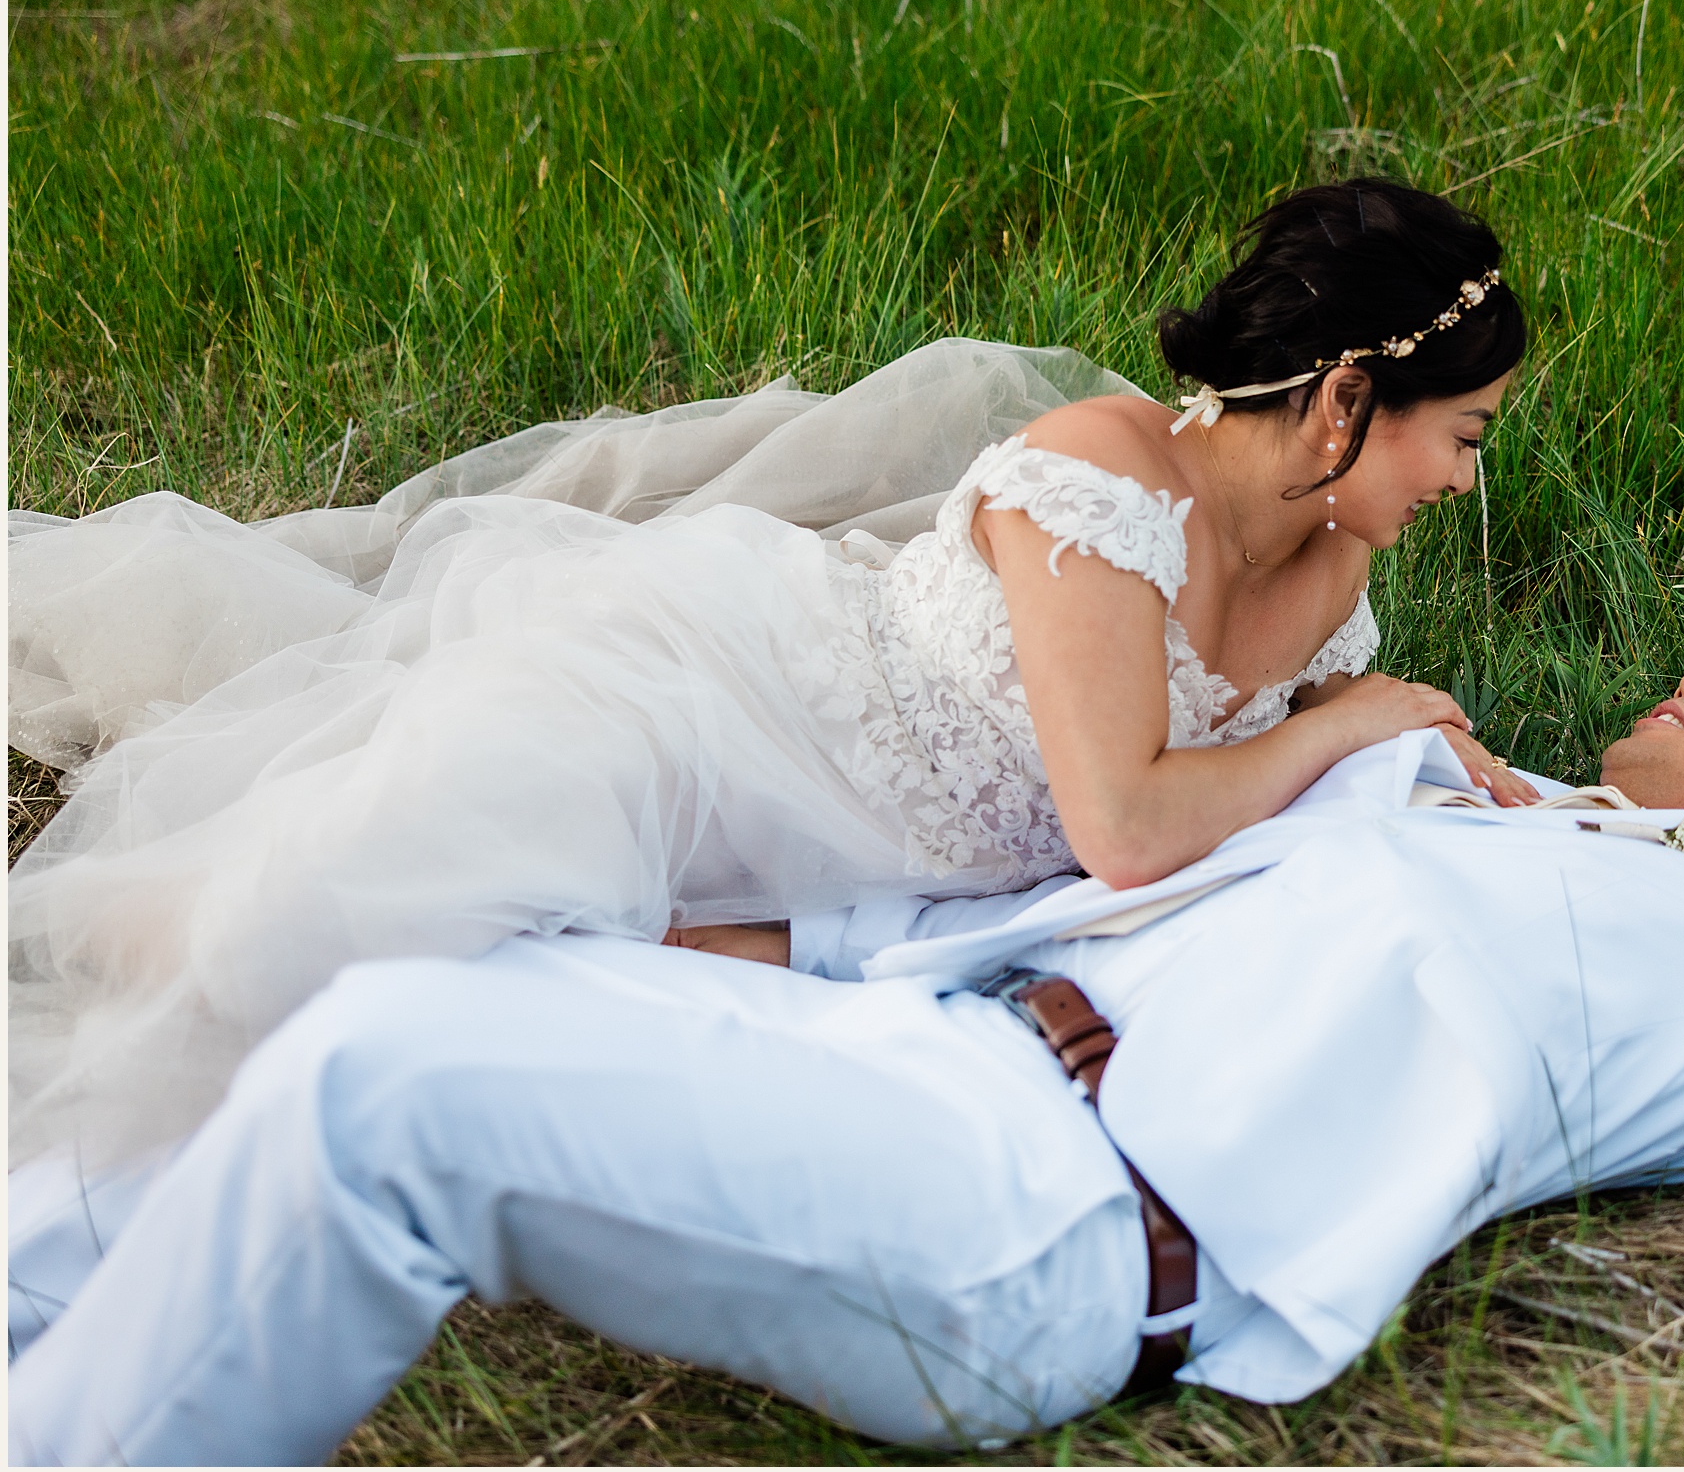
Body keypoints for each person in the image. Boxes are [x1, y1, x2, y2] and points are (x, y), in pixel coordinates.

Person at [6, 659, 1684, 1464]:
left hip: (1048, 1220)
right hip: (909, 1039)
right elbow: (1060, 894)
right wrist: (677, 941)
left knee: (387, 1084)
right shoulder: (1440, 786)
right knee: (300, 1025)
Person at [7, 180, 1532, 1175]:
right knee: (264, 943)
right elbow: (1127, 823)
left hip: (846, 868)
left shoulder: (1332, 560)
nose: (1467, 479)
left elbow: (1300, 753)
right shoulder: (1103, 485)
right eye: (1460, 434)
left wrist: (1426, 746)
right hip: (709, 716)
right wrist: (1364, 718)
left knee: (476, 1019)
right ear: (1346, 396)